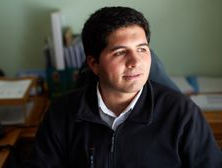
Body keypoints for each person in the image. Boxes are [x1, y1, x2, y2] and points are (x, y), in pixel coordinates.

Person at [26, 6, 222, 167]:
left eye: (142, 49)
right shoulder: (62, 113)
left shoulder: (182, 113)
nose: (135, 62)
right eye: (120, 52)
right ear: (93, 63)